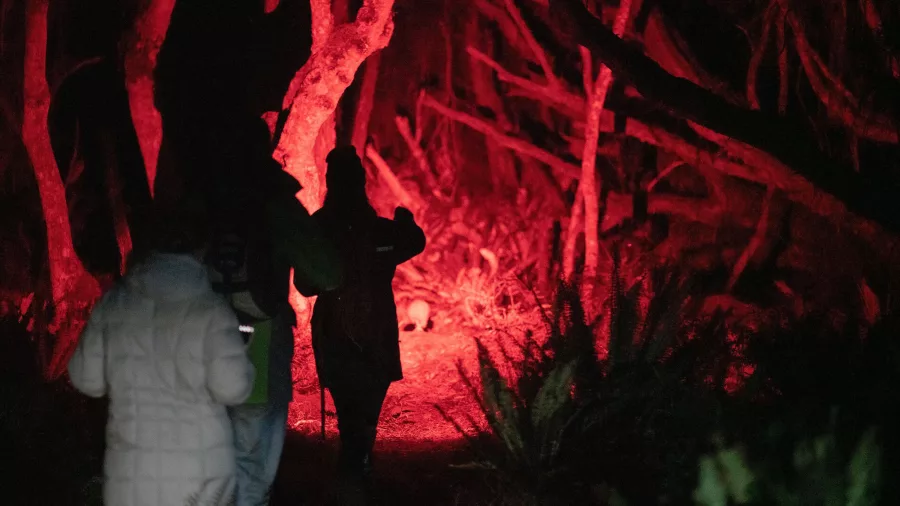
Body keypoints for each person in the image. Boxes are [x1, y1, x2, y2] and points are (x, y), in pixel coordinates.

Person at [67, 199, 255, 506]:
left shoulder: (114, 303)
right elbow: (234, 388)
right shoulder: (213, 312)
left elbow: (85, 378)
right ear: (201, 249)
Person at [205, 119, 344, 506]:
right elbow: (329, 272)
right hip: (258, 336)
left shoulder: (201, 198)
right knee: (253, 451)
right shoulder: (275, 203)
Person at [301, 146, 426, 503]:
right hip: (376, 330)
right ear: (362, 183)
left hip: (336, 330)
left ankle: (353, 470)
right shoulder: (380, 231)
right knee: (366, 409)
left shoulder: (319, 227)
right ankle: (358, 468)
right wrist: (405, 222)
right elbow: (415, 241)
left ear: (329, 183)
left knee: (348, 411)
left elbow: (304, 285)